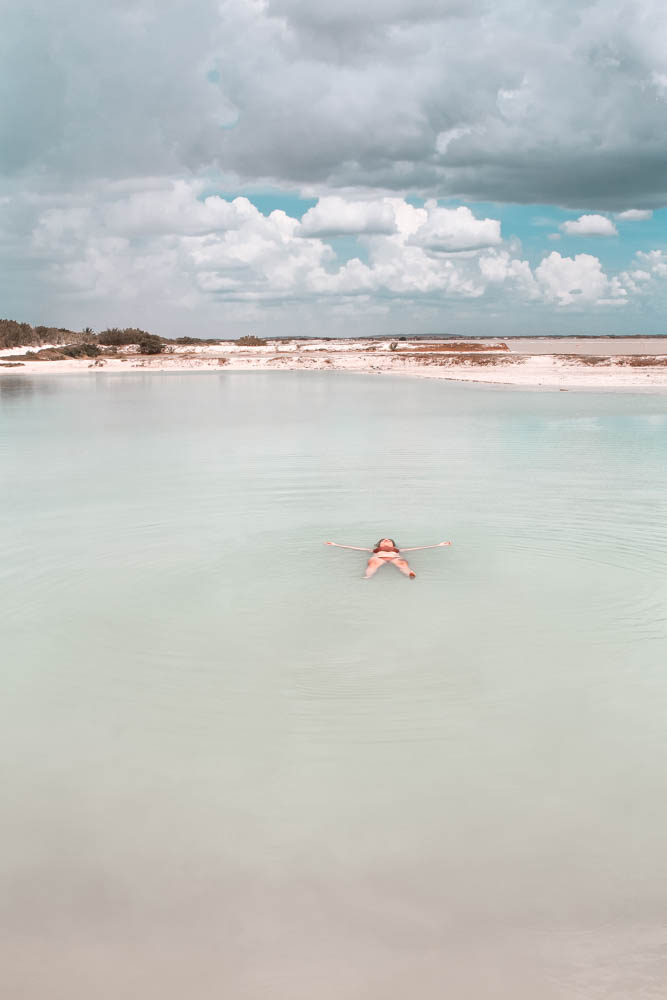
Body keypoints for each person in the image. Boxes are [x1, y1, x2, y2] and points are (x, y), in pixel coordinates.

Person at [324, 536, 452, 580]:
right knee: (373, 563)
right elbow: (354, 548)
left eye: (389, 541)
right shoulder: (374, 550)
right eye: (383, 541)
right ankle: (368, 576)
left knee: (403, 563)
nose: (386, 541)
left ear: (393, 545)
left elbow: (418, 548)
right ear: (379, 545)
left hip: (395, 558)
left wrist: (438, 545)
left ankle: (410, 573)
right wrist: (336, 545)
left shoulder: (398, 551)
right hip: (378, 558)